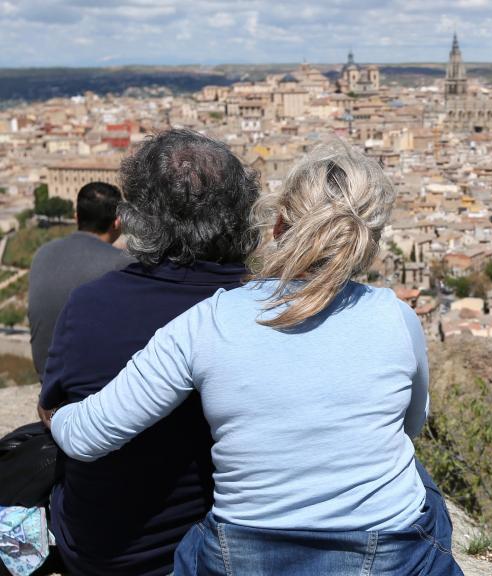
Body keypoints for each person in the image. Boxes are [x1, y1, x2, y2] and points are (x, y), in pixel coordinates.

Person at [49, 139, 463, 575]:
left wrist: (53, 413)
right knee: (415, 474)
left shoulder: (210, 321)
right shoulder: (396, 316)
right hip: (389, 557)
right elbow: (410, 425)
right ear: (368, 241)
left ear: (279, 223)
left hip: (243, 556)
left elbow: (86, 439)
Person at [37, 129, 261, 576]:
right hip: (218, 549)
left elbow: (53, 409)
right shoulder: (260, 313)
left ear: (135, 217)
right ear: (241, 216)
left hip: (100, 551)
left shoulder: (89, 303)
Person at [28, 182, 133, 378]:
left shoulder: (42, 254)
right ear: (117, 222)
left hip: (47, 381)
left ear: (76, 217)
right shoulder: (123, 265)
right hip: (95, 390)